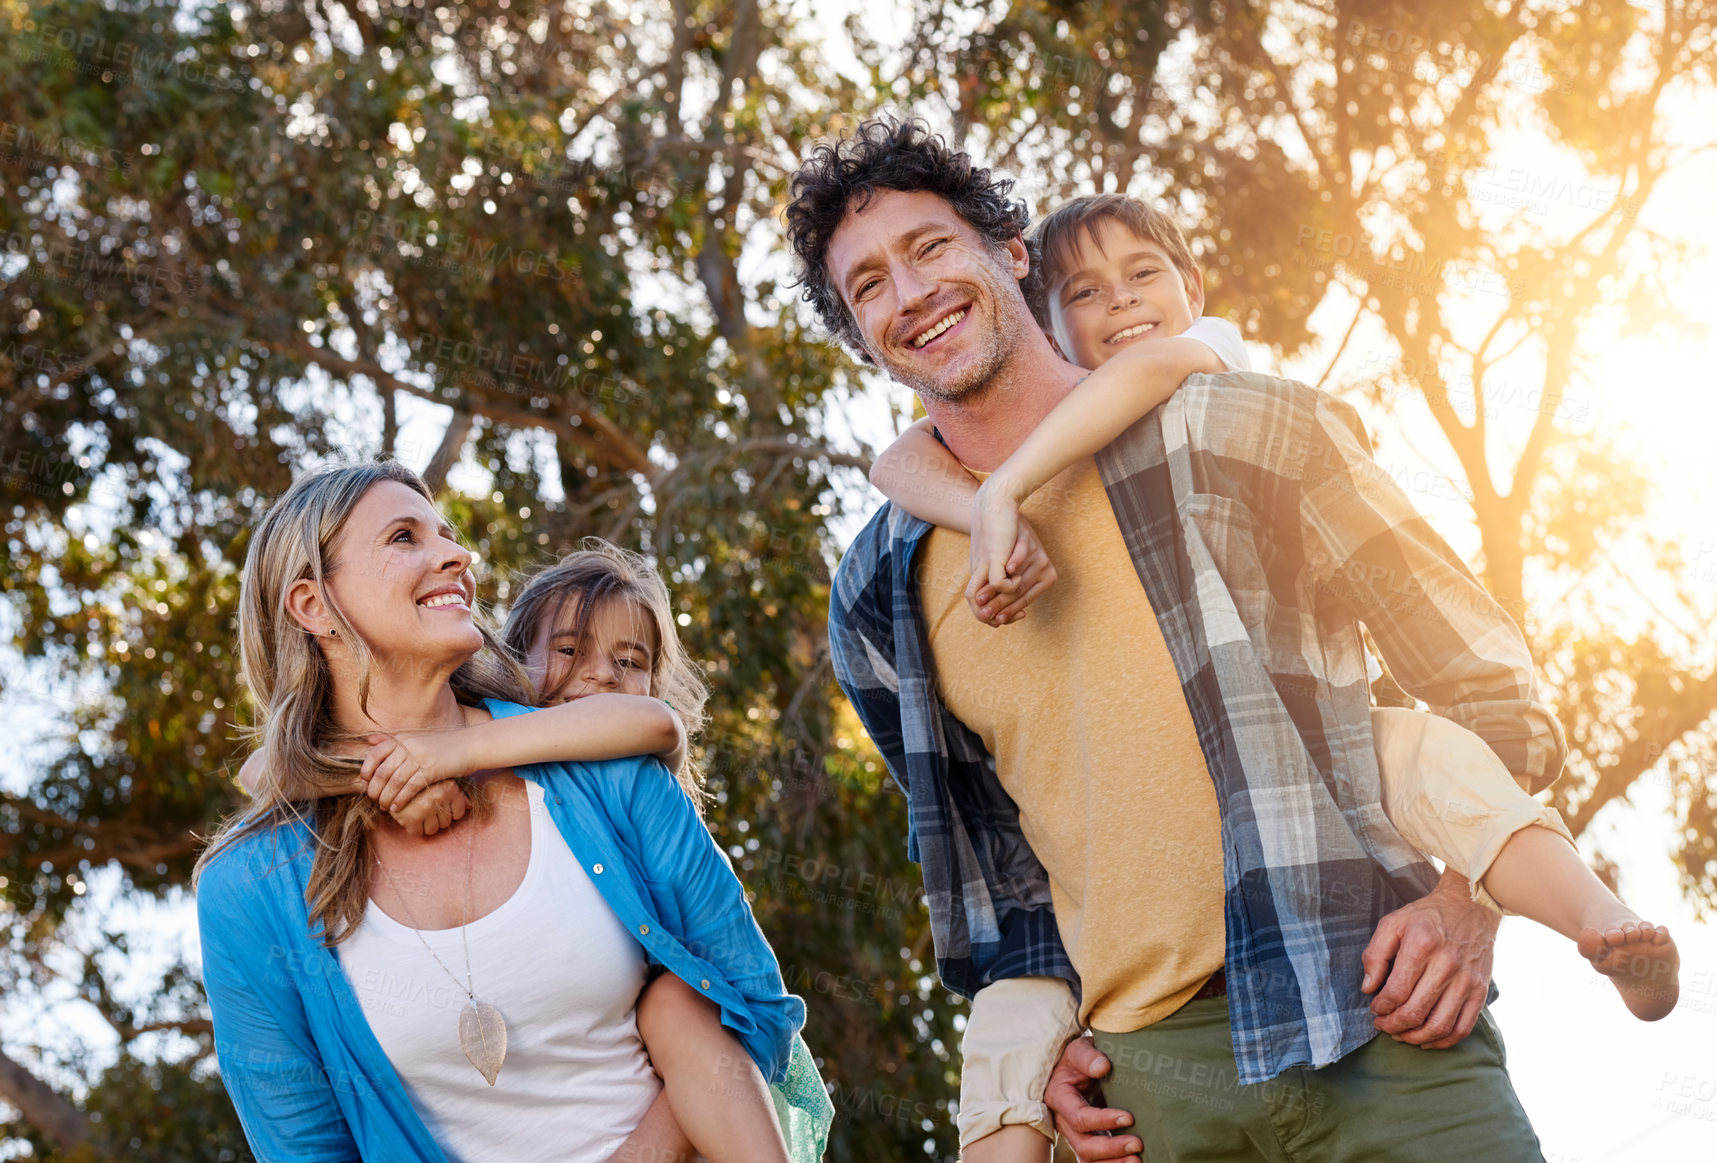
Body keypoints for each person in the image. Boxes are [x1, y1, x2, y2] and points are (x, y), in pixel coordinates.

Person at [790, 116, 1563, 1163]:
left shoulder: (1251, 426)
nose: (910, 292)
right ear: (859, 330)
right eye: (869, 283)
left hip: (1385, 1026)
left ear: (1008, 251)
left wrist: (1465, 902)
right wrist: (1048, 1043)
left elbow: (1483, 676)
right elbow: (997, 873)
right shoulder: (877, 595)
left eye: (930, 247)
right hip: (1154, 1100)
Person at [197, 461, 830, 1163]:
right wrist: (365, 771)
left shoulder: (602, 776)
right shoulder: (251, 886)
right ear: (312, 605)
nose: (456, 556)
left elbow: (755, 1005)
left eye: (448, 535)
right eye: (404, 536)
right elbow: (305, 1148)